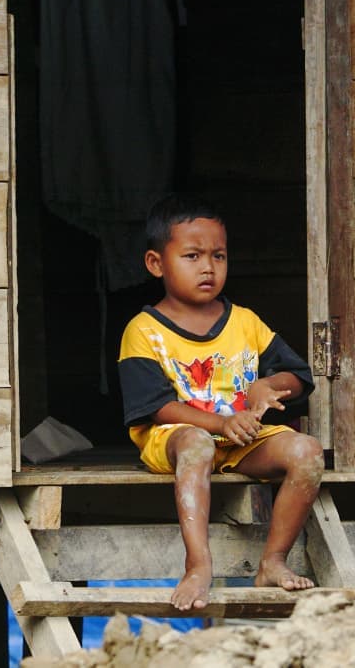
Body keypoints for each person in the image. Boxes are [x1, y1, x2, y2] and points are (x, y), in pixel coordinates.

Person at [117, 194, 325, 611]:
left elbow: (299, 376)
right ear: (157, 264)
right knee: (196, 443)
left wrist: (269, 385)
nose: (208, 267)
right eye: (192, 256)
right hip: (176, 437)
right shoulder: (143, 330)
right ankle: (198, 564)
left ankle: (273, 561)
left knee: (308, 452)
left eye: (219, 256)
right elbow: (158, 407)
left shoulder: (245, 321)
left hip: (241, 438)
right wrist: (218, 424)